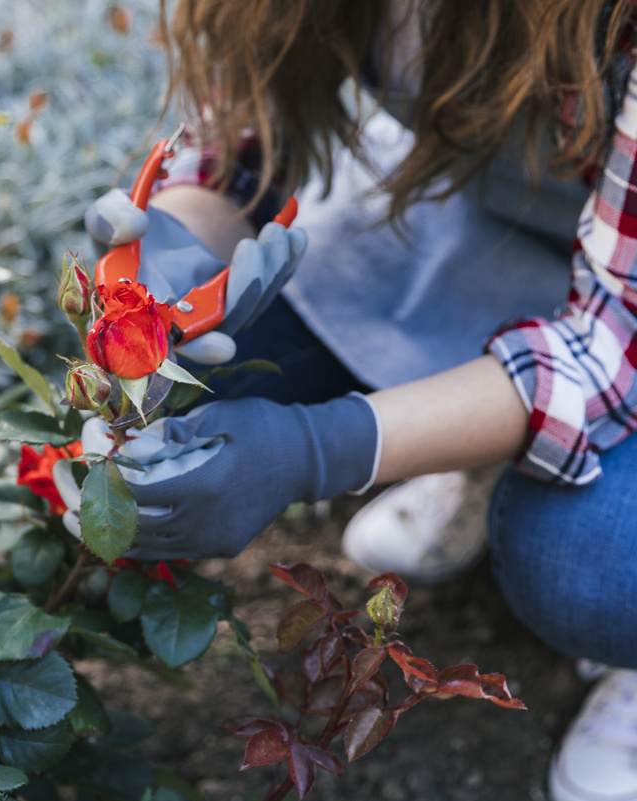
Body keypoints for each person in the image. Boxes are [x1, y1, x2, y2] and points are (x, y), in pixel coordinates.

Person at [78, 2, 637, 799]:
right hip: (512, 227)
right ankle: (480, 439)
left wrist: (319, 448)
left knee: (588, 562)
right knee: (201, 375)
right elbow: (241, 145)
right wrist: (167, 251)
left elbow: (616, 335)